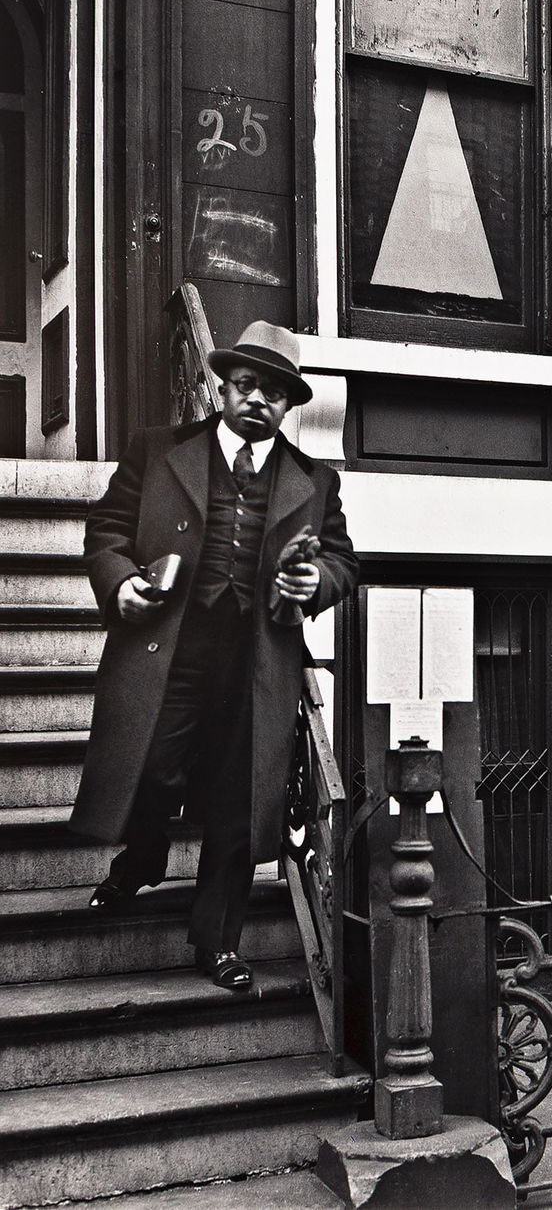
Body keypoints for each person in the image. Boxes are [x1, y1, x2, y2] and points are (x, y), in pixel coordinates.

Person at [69, 321, 359, 990]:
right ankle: (141, 859)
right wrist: (121, 582)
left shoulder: (315, 480)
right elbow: (107, 530)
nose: (260, 400)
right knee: (149, 770)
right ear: (222, 388)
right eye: (249, 386)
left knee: (237, 799)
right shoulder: (158, 450)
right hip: (168, 650)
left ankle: (217, 942)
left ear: (288, 406)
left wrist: (319, 583)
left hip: (256, 661)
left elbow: (344, 561)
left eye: (277, 394)